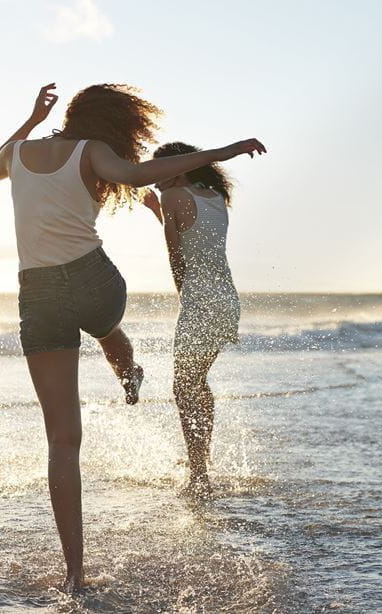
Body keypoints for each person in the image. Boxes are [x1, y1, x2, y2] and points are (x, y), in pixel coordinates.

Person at [0, 83, 266, 591]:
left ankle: (74, 573)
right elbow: (138, 176)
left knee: (62, 442)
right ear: (114, 125)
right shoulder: (94, 152)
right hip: (95, 283)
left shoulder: (18, 153)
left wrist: (29, 120)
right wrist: (226, 150)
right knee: (106, 325)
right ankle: (127, 366)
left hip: (39, 296)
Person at [146, 142, 243, 501]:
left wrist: (183, 299)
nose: (153, 180)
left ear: (179, 169)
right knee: (195, 383)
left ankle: (199, 475)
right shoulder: (216, 197)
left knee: (183, 387)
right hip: (226, 300)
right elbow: (194, 237)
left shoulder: (174, 199)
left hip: (201, 302)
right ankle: (201, 463)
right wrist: (158, 210)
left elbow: (177, 255)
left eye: (158, 173)